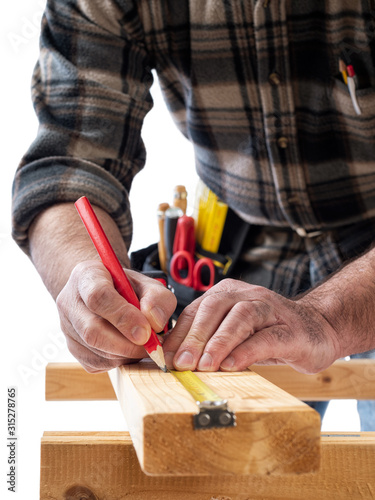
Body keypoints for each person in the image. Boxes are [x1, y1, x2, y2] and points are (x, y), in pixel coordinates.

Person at [11, 0, 375, 429]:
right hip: (242, 231)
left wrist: (328, 317)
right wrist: (88, 277)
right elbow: (67, 168)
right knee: (224, 460)